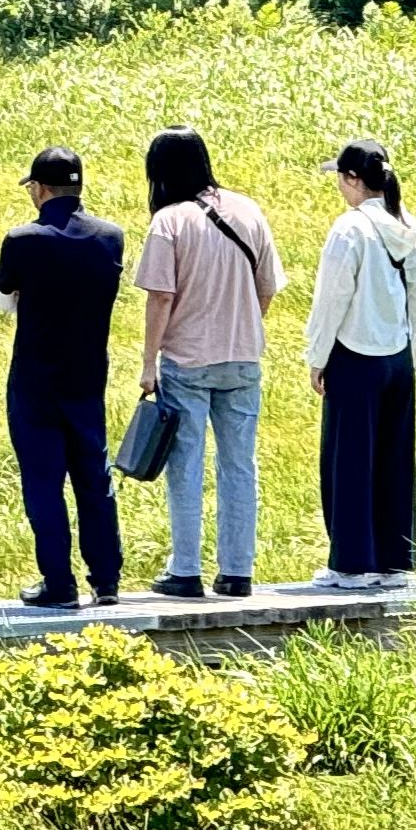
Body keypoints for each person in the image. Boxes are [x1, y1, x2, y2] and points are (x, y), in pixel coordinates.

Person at [133, 127, 282, 599]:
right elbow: (268, 286)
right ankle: (238, 571)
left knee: (187, 465)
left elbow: (160, 296)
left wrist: (148, 362)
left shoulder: (170, 221)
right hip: (243, 358)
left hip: (187, 359)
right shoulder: (248, 209)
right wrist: (242, 324)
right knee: (240, 465)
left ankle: (187, 569)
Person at [0, 148, 125, 608]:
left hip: (35, 380)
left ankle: (59, 582)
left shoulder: (23, 239)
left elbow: (5, 294)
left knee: (44, 481)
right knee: (94, 477)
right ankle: (106, 579)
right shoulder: (111, 237)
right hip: (88, 376)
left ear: (39, 189)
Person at [298, 139, 416, 590]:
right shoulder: (409, 226)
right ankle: (395, 562)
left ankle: (351, 564)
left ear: (353, 179)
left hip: (355, 354)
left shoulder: (350, 228)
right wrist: (411, 354)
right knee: (395, 458)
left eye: (341, 176)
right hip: (398, 355)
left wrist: (316, 357)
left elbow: (331, 299)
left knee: (348, 459)